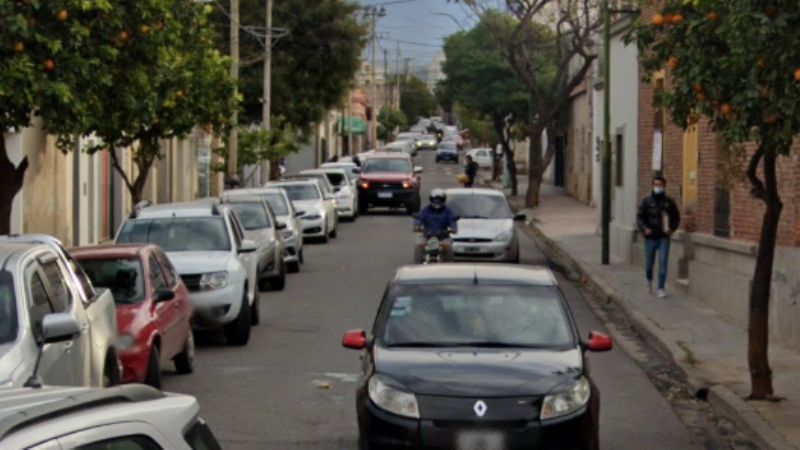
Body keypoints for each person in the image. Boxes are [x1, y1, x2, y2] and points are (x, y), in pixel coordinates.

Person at [637, 175, 681, 298]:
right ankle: (649, 279)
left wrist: (672, 229)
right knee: (649, 264)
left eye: (660, 185)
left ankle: (661, 288)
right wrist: (644, 228)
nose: (658, 187)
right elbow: (640, 217)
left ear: (664, 186)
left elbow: (676, 217)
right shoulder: (646, 201)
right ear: (652, 185)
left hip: (663, 237)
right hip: (650, 237)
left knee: (663, 262)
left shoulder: (669, 202)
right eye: (656, 185)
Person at [413, 189, 458, 263]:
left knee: (448, 247)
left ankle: (448, 265)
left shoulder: (448, 211)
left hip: (443, 237)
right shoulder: (425, 210)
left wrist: (453, 228)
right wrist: (417, 226)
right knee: (419, 245)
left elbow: (452, 220)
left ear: (443, 200)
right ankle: (417, 265)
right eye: (435, 200)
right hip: (427, 236)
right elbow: (419, 218)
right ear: (431, 199)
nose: (437, 202)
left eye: (439, 200)